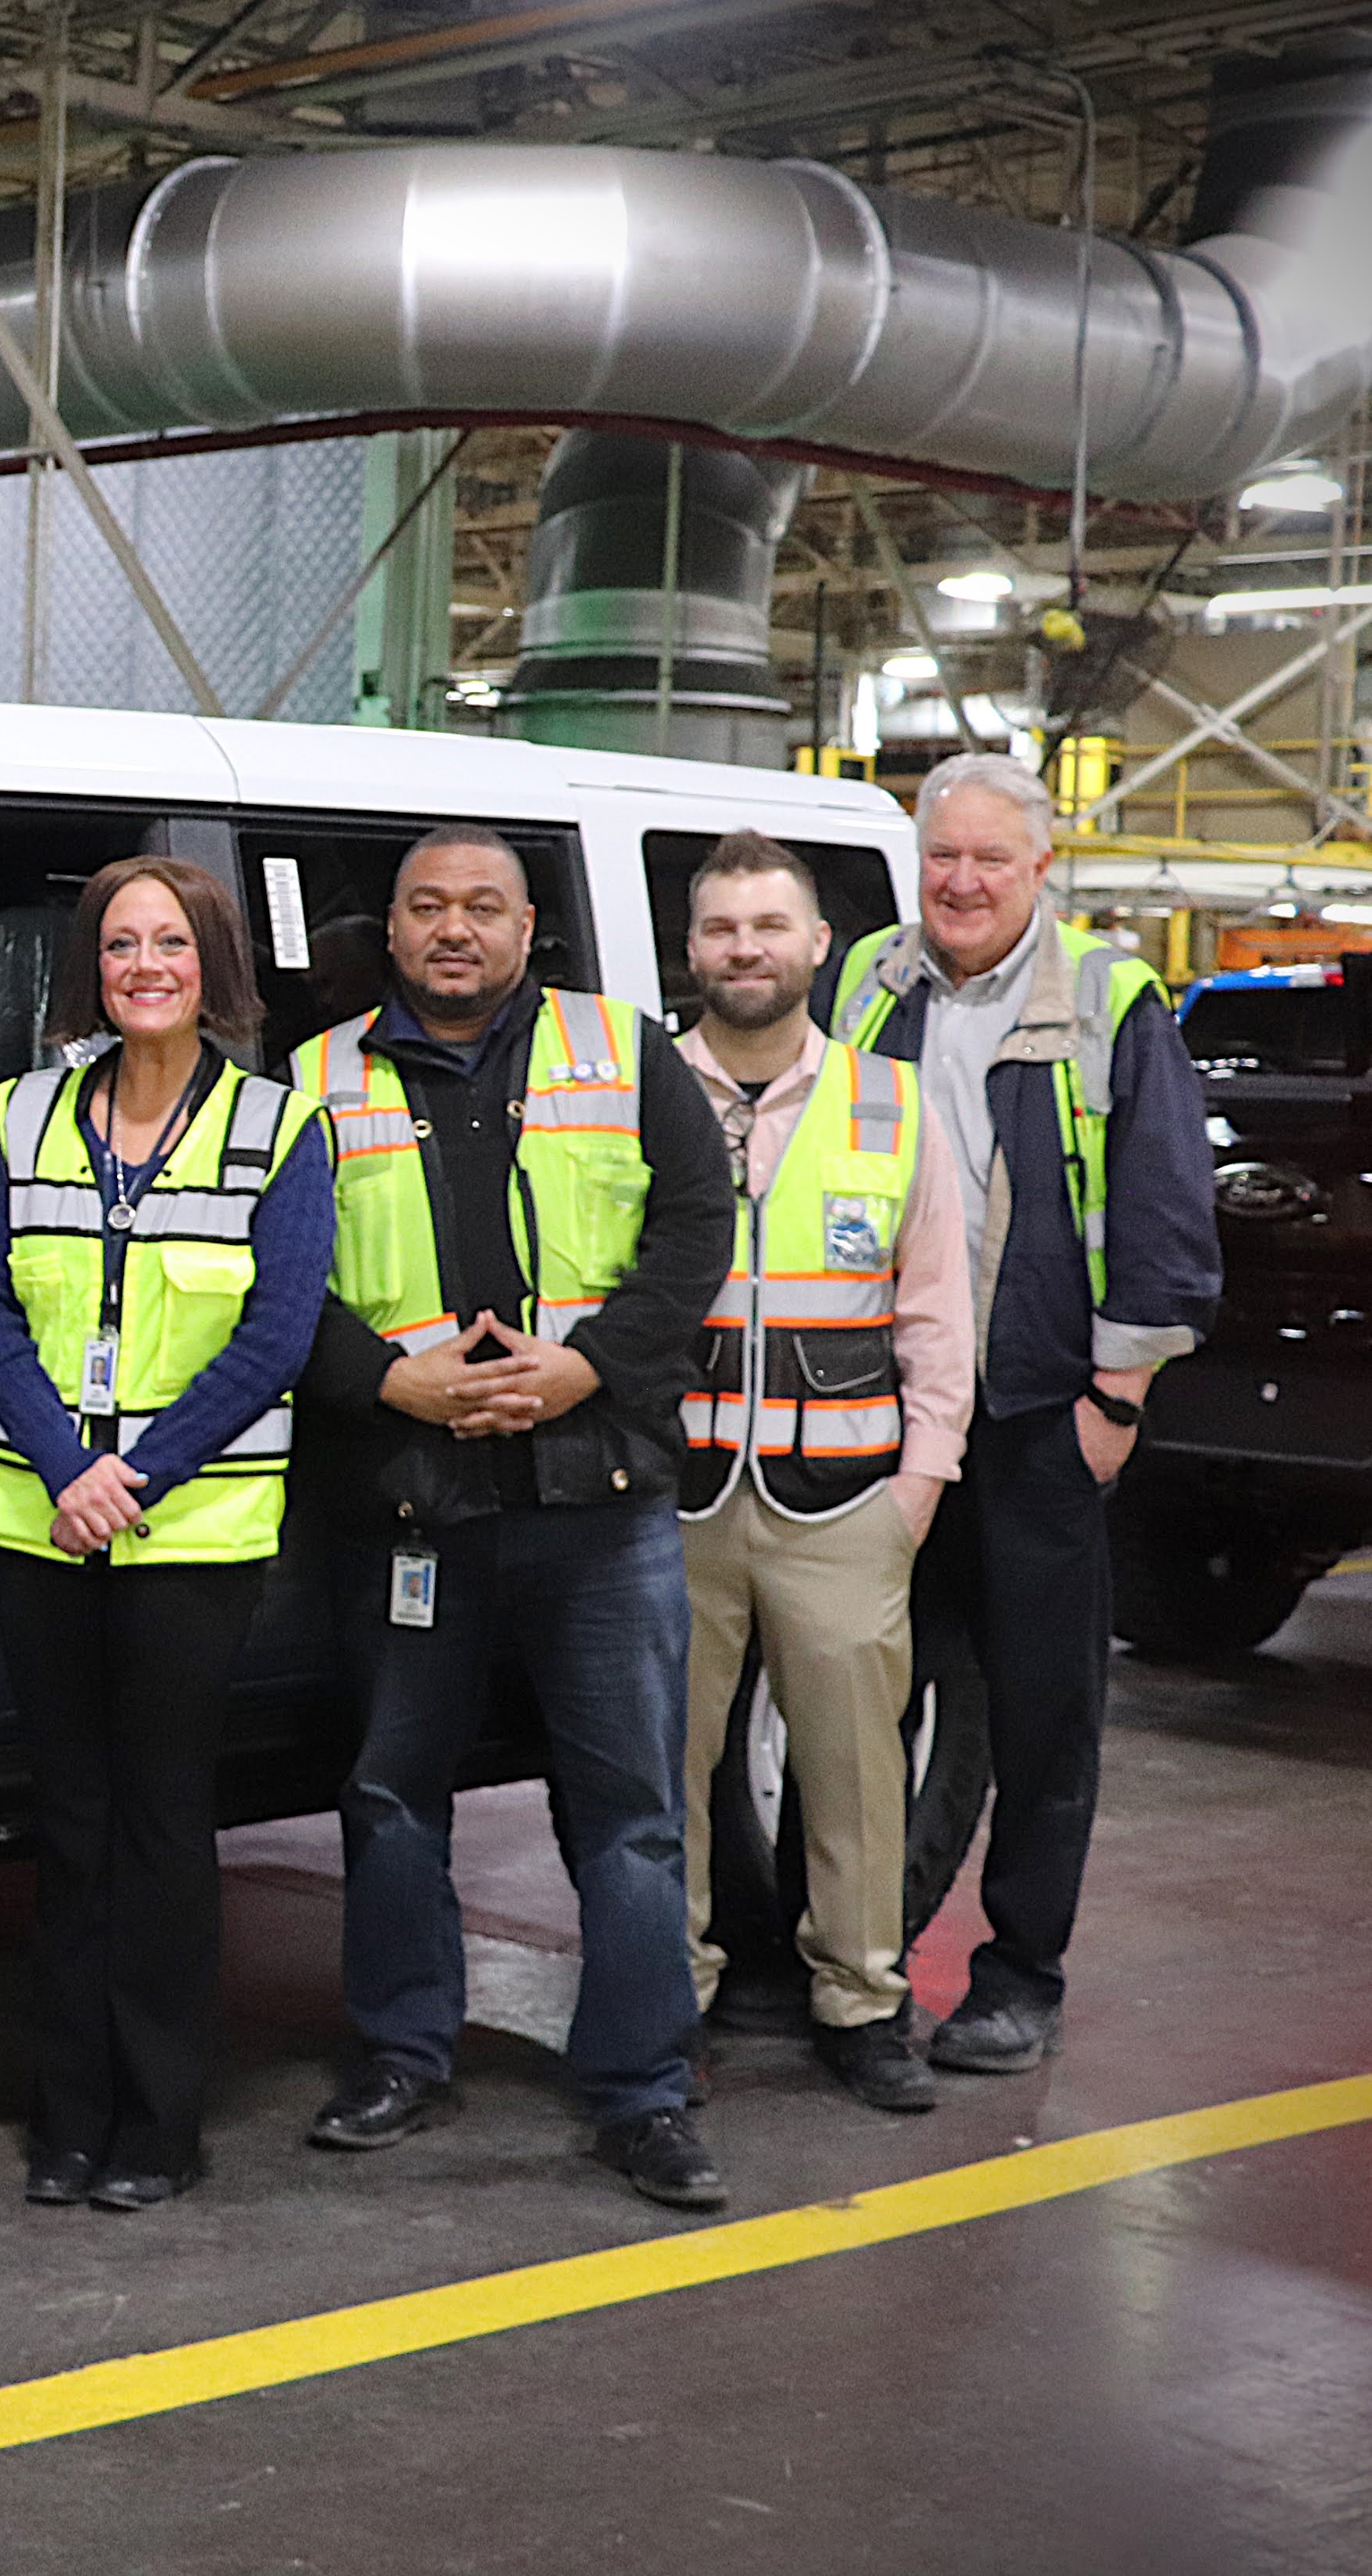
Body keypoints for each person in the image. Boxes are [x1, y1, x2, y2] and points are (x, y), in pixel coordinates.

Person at [291, 825, 737, 2209]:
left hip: (593, 1501)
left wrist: (586, 1366)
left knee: (625, 1813)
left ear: (528, 925)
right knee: (389, 1798)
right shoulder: (316, 1080)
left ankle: (642, 2090)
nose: (453, 930)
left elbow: (694, 1226)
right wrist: (392, 1382)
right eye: (426, 906)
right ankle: (402, 2054)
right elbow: (269, 1276)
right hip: (406, 1504)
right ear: (392, 929)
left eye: (482, 907)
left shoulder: (620, 1050)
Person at [832, 751, 1219, 2073]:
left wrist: (1115, 1395)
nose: (961, 880)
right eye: (943, 856)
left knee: (1044, 1706)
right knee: (871, 1697)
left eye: (991, 858)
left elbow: (1167, 1205)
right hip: (883, 1409)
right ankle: (857, 1956)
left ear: (1039, 870)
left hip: (1036, 1413)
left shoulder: (1110, 994)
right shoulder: (868, 981)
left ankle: (1016, 1976)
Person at [0, 856, 330, 2211]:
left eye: (169, 943)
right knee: (69, 1828)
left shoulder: (277, 1130)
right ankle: (66, 2120)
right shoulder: (24, 1113)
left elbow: (275, 1337)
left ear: (209, 966)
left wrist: (139, 1473)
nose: (144, 967)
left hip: (189, 1538)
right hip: (39, 1523)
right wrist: (69, 1468)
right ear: (92, 970)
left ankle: (158, 2129)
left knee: (164, 1830)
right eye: (119, 946)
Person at [672, 832, 971, 2115]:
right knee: (661, 1767)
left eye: (768, 925)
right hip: (671, 1498)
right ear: (691, 949)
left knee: (851, 1770)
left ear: (813, 947)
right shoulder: (639, 1092)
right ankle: (659, 2003)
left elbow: (938, 1314)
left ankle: (860, 2001)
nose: (745, 947)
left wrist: (921, 1483)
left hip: (847, 1502)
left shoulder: (889, 1102)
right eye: (722, 927)